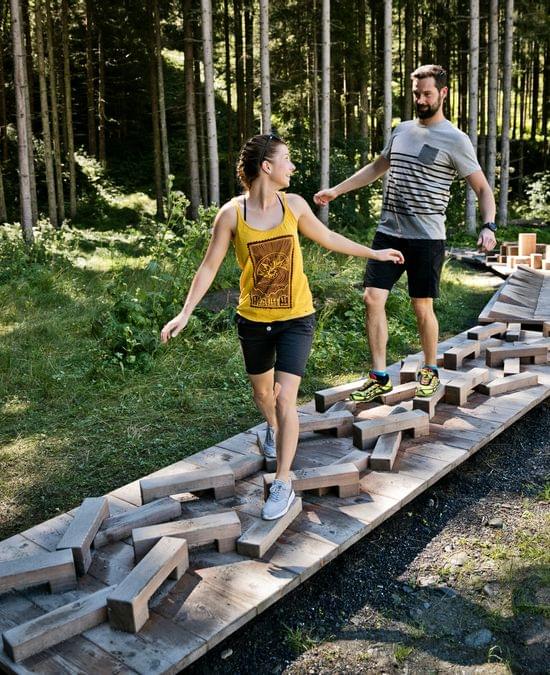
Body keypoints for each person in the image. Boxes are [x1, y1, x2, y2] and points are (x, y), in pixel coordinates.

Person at [161, 133, 404, 520]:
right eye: (287, 159)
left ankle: (283, 481)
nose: (293, 167)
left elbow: (326, 238)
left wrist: (373, 252)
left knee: (285, 397)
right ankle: (274, 428)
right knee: (264, 398)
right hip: (254, 321)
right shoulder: (231, 215)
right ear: (267, 167)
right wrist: (186, 312)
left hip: (296, 318)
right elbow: (209, 266)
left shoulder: (293, 205)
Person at [314, 64, 497, 403]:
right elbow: (378, 166)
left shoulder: (456, 140)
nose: (421, 99)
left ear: (443, 93)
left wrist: (489, 226)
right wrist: (336, 191)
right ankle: (380, 376)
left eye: (427, 93)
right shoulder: (401, 130)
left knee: (421, 305)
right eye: (416, 93)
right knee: (372, 298)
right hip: (389, 232)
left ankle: (430, 369)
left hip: (427, 237)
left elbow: (484, 189)